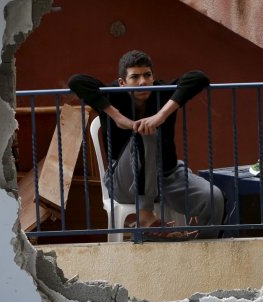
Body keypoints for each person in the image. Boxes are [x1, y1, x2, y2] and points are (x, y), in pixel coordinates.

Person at [69, 50, 225, 239]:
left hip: (167, 176)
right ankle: (145, 217)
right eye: (134, 77)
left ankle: (205, 247)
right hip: (125, 182)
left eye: (147, 75)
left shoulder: (162, 94)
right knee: (145, 134)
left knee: (213, 197)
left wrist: (161, 116)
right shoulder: (114, 96)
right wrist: (118, 118)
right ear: (122, 83)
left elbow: (198, 78)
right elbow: (76, 81)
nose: (142, 81)